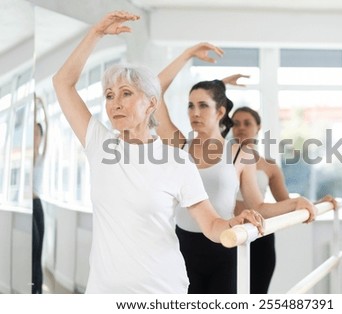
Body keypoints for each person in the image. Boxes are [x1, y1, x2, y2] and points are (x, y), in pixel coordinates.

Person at [52, 11, 264, 294]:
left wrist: (233, 223)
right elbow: (62, 83)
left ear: (151, 104)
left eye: (126, 93)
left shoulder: (177, 159)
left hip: (161, 291)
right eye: (110, 95)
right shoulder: (100, 145)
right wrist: (96, 33)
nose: (115, 103)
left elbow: (211, 223)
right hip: (103, 293)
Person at [155, 43, 320, 294]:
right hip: (181, 248)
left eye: (202, 106)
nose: (194, 113)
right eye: (190, 105)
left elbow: (259, 207)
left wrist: (295, 203)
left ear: (220, 111)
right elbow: (153, 92)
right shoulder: (180, 145)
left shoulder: (241, 155)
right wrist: (187, 55)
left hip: (225, 245)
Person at [231, 105, 337, 294]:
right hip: (230, 232)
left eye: (247, 123)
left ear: (258, 127)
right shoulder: (220, 161)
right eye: (235, 123)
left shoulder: (269, 166)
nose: (241, 127)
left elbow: (285, 202)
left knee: (257, 293)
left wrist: (317, 204)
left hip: (260, 234)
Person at [32, 96, 48, 294]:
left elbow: (48, 128)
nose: (35, 136)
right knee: (32, 251)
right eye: (33, 133)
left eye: (38, 133)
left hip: (37, 206)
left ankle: (38, 293)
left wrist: (43, 107)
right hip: (28, 206)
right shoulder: (28, 155)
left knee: (38, 252)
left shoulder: (42, 156)